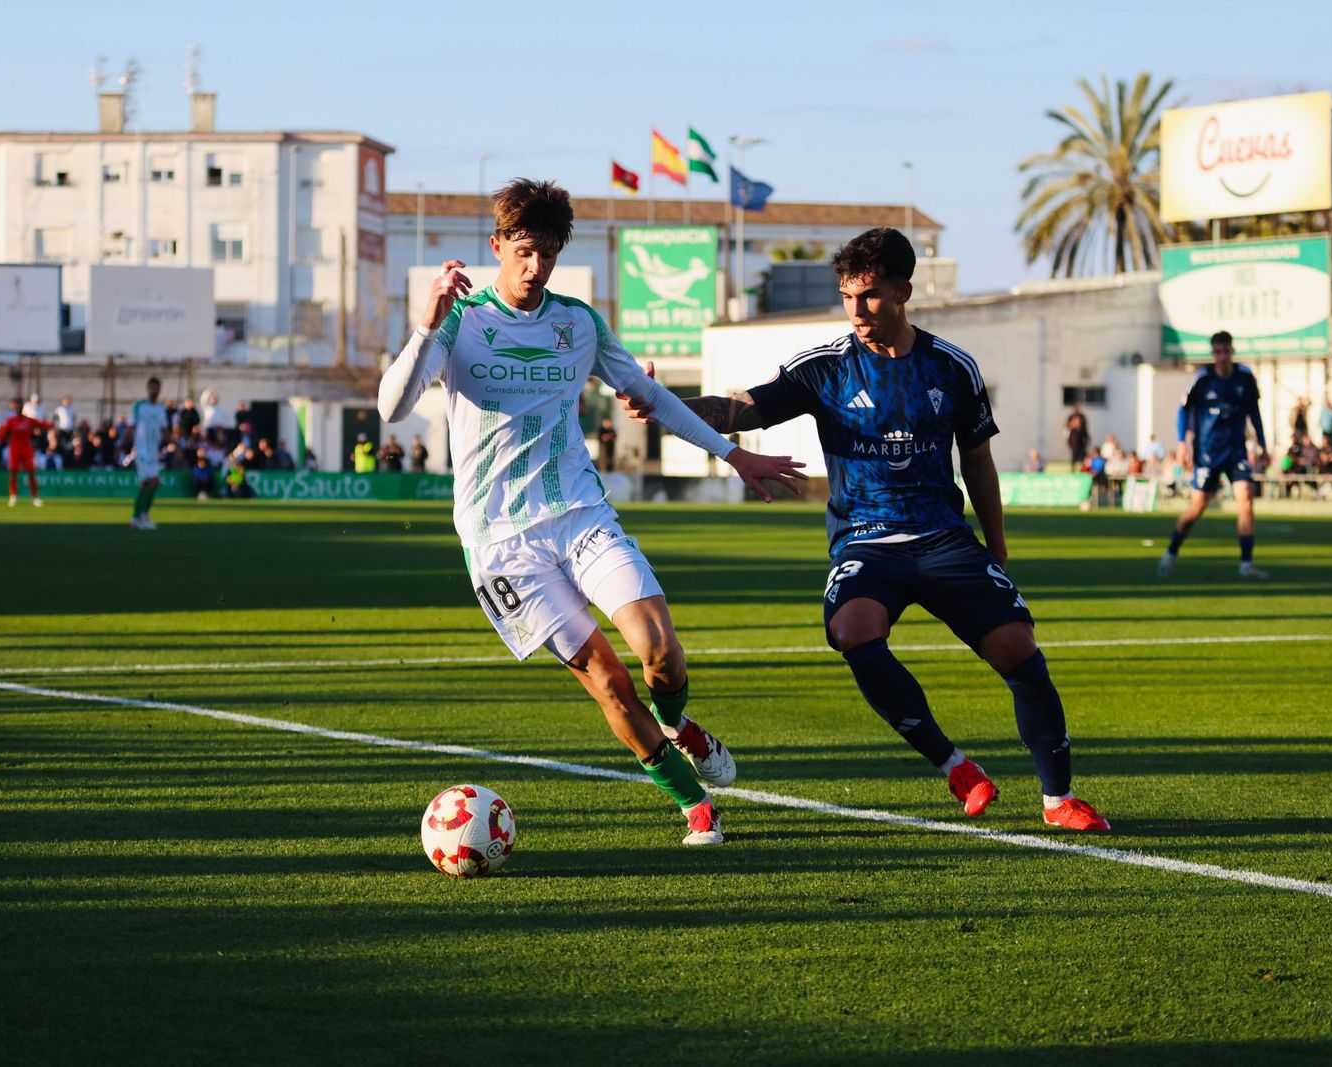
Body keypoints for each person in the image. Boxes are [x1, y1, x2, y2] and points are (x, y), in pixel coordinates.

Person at [619, 226, 1109, 833]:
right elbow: (741, 409)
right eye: (848, 297)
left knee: (1019, 651)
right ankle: (955, 765)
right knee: (853, 630)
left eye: (871, 296)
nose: (857, 311)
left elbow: (978, 460)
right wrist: (664, 402)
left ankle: (1058, 798)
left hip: (944, 538)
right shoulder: (826, 368)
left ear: (904, 290)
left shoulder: (952, 368)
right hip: (867, 541)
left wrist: (997, 551)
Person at [376, 178, 806, 847]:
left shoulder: (578, 323)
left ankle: (680, 725)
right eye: (523, 249)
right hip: (502, 544)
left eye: (547, 251)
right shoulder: (460, 320)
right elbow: (391, 407)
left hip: (579, 514)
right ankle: (697, 807)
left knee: (661, 649)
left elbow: (647, 393)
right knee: (608, 680)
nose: (535, 264)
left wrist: (733, 453)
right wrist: (426, 320)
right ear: (497, 246)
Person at [1158, 331, 1270, 579]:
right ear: (1213, 353)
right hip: (1208, 452)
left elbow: (1254, 411)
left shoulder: (1244, 377)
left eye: (1226, 351)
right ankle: (1171, 551)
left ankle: (1246, 564)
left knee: (1246, 500)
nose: (1222, 356)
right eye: (1218, 352)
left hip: (1236, 450)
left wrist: (1263, 444)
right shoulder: (1202, 379)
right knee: (1197, 507)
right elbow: (1183, 410)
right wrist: (1182, 442)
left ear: (1232, 351)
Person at [128, 376, 167, 530]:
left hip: (153, 451)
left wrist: (176, 446)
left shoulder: (160, 409)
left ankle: (138, 517)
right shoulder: (139, 407)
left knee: (152, 483)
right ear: (147, 389)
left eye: (156, 387)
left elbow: (164, 430)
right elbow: (131, 427)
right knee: (150, 481)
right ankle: (141, 515)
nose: (154, 390)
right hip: (142, 450)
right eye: (152, 387)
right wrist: (121, 446)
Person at [0, 398, 50, 507]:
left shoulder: (28, 420)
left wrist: (52, 425)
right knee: (13, 473)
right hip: (15, 449)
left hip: (26, 449)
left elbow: (41, 424)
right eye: (18, 407)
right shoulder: (11, 421)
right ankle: (13, 497)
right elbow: (3, 433)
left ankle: (35, 498)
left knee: (31, 473)